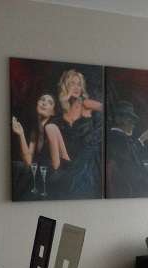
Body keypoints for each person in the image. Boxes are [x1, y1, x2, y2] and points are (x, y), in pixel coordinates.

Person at [106, 101, 148, 198]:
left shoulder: (118, 139)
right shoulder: (120, 141)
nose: (133, 124)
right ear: (118, 120)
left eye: (133, 120)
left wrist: (142, 139)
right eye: (129, 119)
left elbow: (130, 153)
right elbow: (133, 176)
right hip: (129, 193)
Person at [53, 69, 103, 199]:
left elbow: (107, 110)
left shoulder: (85, 103)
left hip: (87, 161)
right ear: (65, 86)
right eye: (72, 84)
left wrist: (96, 134)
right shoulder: (60, 110)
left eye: (79, 84)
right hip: (69, 159)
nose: (76, 87)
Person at [11, 93, 70, 171]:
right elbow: (28, 162)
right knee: (16, 165)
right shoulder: (36, 131)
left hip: (63, 173)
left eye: (50, 102)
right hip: (48, 172)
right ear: (37, 104)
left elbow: (56, 167)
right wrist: (21, 134)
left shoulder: (51, 127)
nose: (44, 103)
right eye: (42, 100)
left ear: (53, 112)